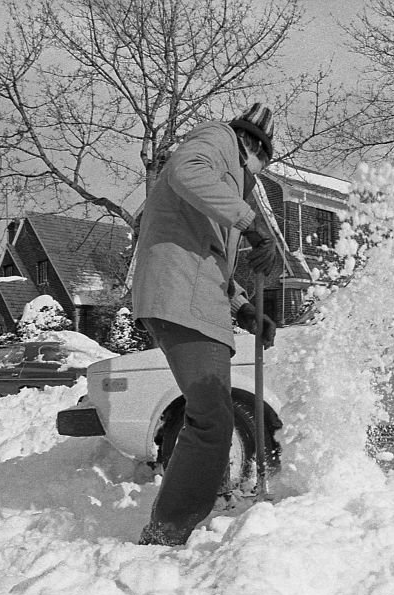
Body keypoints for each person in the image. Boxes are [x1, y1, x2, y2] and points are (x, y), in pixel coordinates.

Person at [132, 103, 282, 545]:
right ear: (253, 145)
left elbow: (209, 258)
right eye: (261, 162)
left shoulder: (229, 180)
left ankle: (194, 509)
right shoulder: (218, 140)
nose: (256, 174)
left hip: (197, 302)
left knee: (212, 418)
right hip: (180, 301)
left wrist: (243, 308)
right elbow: (185, 170)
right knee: (212, 418)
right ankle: (167, 529)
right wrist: (252, 224)